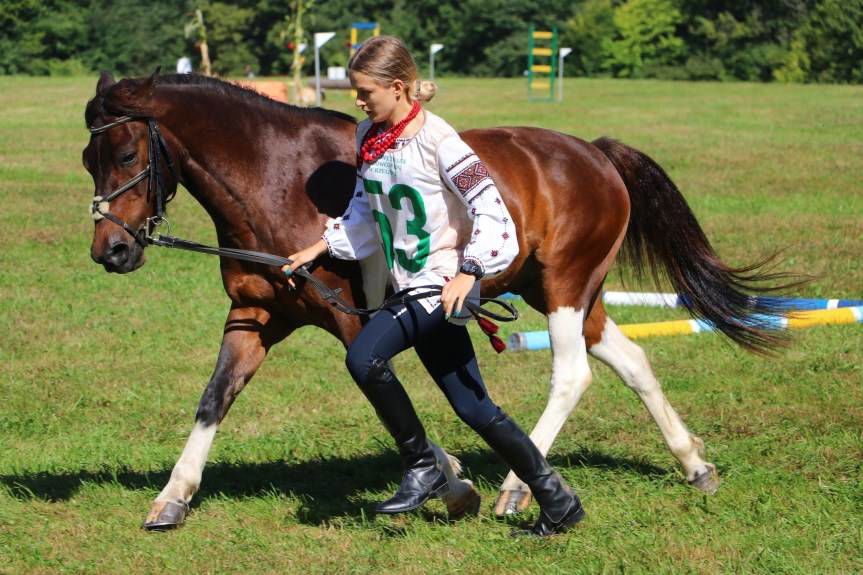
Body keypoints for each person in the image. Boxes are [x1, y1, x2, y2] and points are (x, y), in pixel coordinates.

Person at [282, 36, 584, 537]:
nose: (357, 100)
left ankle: (421, 463)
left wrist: (470, 271)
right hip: (411, 284)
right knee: (474, 407)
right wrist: (321, 246)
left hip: (440, 282)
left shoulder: (440, 141)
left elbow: (491, 209)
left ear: (396, 87)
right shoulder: (368, 135)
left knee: (364, 358)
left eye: (364, 91)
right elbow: (364, 207)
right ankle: (558, 500)